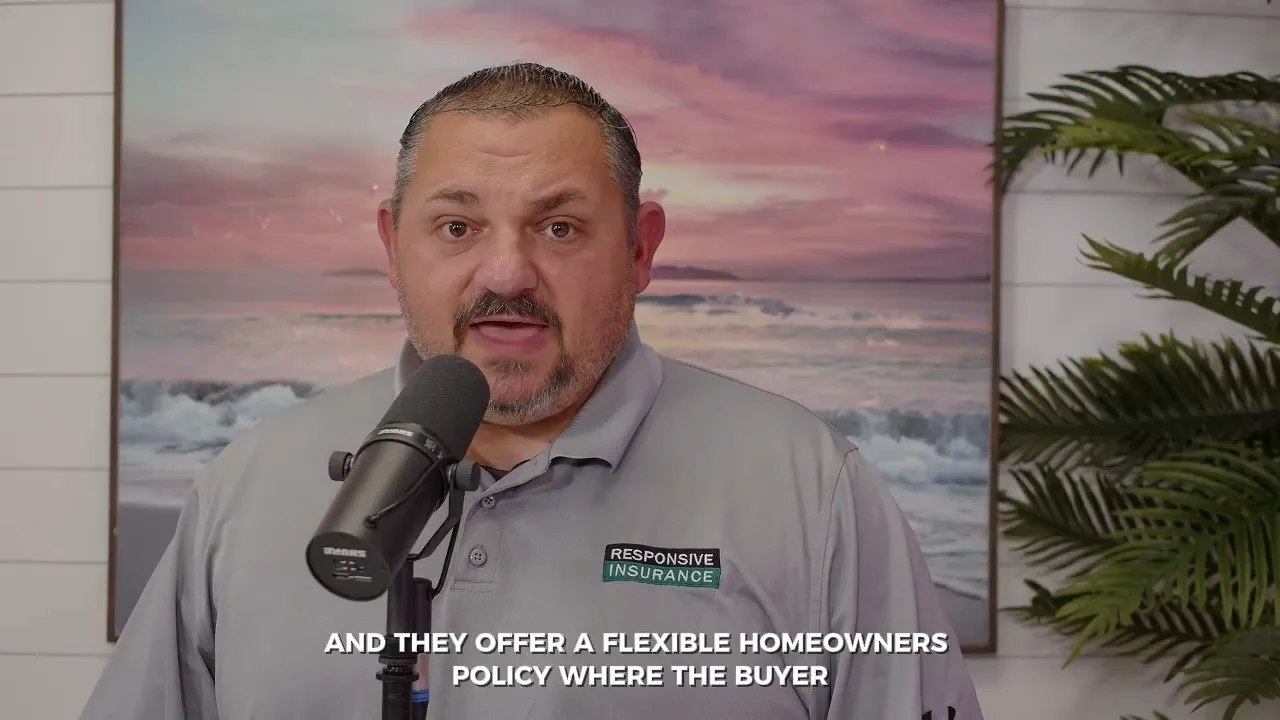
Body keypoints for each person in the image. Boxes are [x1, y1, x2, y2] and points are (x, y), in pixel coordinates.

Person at [80, 62, 985, 720]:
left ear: (640, 248)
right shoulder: (248, 482)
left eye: (559, 226)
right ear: (395, 245)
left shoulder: (812, 492)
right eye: (457, 225)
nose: (506, 270)